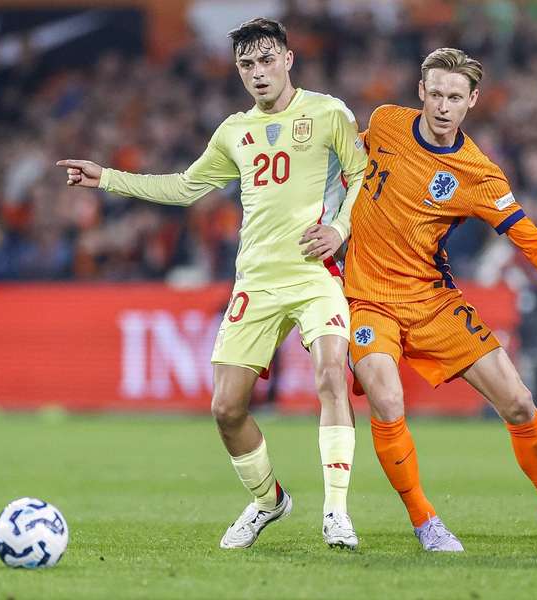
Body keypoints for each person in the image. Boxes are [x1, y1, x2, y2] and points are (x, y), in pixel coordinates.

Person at [57, 18, 368, 550]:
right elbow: (184, 188)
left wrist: (339, 229)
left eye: (267, 60)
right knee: (226, 408)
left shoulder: (328, 112)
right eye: (247, 64)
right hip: (257, 279)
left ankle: (336, 513)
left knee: (331, 376)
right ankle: (270, 502)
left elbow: (361, 174)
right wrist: (106, 177)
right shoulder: (234, 131)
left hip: (315, 273)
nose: (258, 72)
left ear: (289, 59)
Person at [303, 47, 537, 551]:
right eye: (435, 93)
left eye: (455, 96)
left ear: (473, 100)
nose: (443, 105)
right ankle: (425, 521)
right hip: (367, 299)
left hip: (433, 301)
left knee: (519, 403)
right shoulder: (385, 123)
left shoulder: (478, 174)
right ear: (420, 92)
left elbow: (531, 240)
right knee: (387, 401)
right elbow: (336, 168)